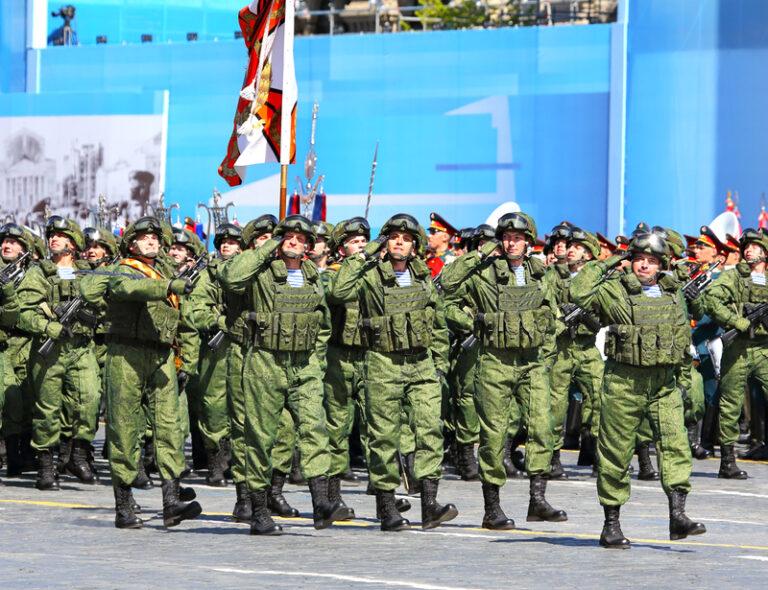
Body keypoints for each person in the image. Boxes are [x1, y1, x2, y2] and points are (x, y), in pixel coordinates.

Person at [571, 232, 706, 548]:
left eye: (652, 261)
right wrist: (609, 261)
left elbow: (679, 338)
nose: (644, 265)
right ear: (630, 261)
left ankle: (678, 516)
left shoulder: (673, 294)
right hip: (624, 383)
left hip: (664, 385)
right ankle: (611, 524)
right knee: (615, 453)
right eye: (639, 259)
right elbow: (578, 291)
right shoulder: (614, 291)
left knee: (675, 446)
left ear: (661, 265)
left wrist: (684, 380)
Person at [219, 214, 348, 535]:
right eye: (288, 237)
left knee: (314, 430)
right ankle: (259, 511)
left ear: (307, 246)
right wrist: (266, 249)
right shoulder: (261, 271)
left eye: (300, 239)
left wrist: (316, 362)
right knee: (260, 437)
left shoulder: (310, 275)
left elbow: (322, 322)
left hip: (303, 364)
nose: (294, 242)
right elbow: (232, 278)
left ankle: (321, 504)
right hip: (265, 361)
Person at [329, 213, 457, 531]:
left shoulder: (422, 277)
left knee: (429, 432)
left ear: (415, 246)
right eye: (394, 237)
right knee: (383, 437)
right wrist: (368, 251)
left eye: (407, 238)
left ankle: (429, 505)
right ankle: (386, 507)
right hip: (382, 362)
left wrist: (440, 363)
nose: (400, 242)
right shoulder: (370, 275)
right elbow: (338, 292)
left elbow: (437, 321)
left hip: (421, 363)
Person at [441, 212, 566, 530]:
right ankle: (492, 508)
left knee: (541, 428)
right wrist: (473, 324)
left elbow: (550, 311)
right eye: (507, 237)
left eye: (518, 238)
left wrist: (547, 355)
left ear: (528, 242)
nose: (512, 242)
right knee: (493, 435)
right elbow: (447, 291)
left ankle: (537, 500)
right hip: (495, 361)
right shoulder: (483, 272)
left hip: (532, 361)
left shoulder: (540, 274)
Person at [82, 216, 202, 528]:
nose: (151, 242)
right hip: (126, 354)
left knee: (169, 427)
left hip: (161, 355)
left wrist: (187, 361)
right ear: (132, 243)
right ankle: (124, 506)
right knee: (123, 428)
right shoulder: (123, 268)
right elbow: (127, 289)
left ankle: (171, 502)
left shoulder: (167, 273)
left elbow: (184, 321)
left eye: (155, 238)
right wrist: (167, 284)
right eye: (144, 238)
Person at [18, 216, 102, 489]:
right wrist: (48, 326)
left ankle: (77, 457)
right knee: (47, 408)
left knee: (89, 399)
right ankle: (46, 467)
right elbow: (24, 313)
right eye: (51, 235)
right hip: (50, 350)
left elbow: (104, 304)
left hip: (81, 347)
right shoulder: (39, 272)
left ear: (73, 242)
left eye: (60, 235)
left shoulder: (88, 272)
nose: (53, 238)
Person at [700, 228, 768, 480]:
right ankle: (727, 461)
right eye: (746, 246)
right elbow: (710, 299)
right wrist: (734, 320)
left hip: (764, 349)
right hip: (738, 347)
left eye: (754, 246)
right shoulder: (734, 278)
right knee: (729, 404)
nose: (748, 250)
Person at [546, 228, 604, 479]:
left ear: (589, 255)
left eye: (577, 247)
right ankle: (552, 457)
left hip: (588, 346)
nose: (570, 250)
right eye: (569, 246)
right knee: (556, 403)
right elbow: (543, 307)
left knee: (600, 396)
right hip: (562, 347)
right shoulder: (552, 276)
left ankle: (597, 454)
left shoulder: (600, 281)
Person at [426, 212, 457, 279]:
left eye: (433, 233)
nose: (429, 236)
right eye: (430, 233)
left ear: (445, 237)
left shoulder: (449, 262)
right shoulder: (432, 259)